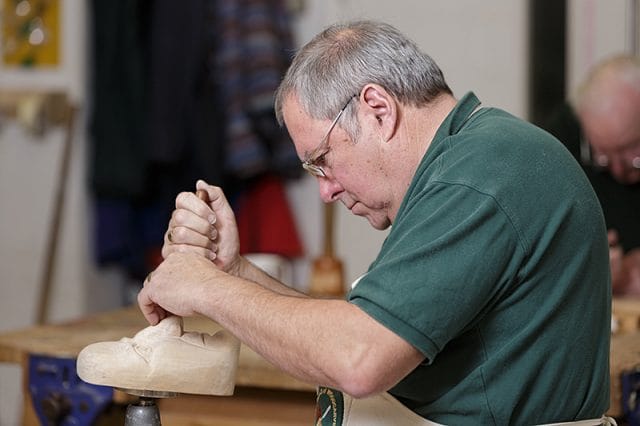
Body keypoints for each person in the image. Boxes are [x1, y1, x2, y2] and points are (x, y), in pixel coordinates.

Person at [138, 21, 613, 425]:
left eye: (322, 160)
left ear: (378, 110)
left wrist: (205, 289)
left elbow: (359, 360)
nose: (325, 190)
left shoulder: (480, 177)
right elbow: (361, 330)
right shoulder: (472, 159)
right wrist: (233, 272)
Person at [542, 55, 640, 296]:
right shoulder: (555, 148)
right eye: (603, 156)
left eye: (631, 149)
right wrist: (585, 267)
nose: (618, 170)